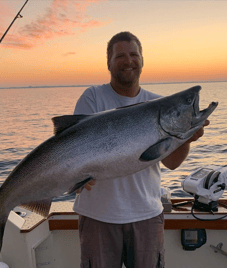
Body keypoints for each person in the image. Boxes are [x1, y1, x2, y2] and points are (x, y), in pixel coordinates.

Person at [73, 31, 209, 268]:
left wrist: (186, 138)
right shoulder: (93, 97)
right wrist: (77, 175)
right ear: (109, 63)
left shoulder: (159, 104)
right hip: (98, 216)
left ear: (142, 60)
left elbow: (171, 163)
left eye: (134, 54)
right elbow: (74, 148)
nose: (128, 61)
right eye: (120, 56)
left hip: (146, 215)